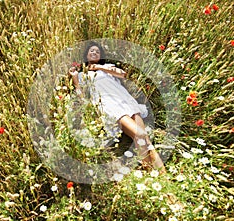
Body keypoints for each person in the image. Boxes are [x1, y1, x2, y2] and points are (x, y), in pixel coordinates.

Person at [69, 41, 166, 172]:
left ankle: (162, 176)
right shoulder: (82, 75)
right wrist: (75, 79)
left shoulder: (108, 67)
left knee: (145, 139)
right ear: (86, 55)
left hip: (126, 101)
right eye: (91, 51)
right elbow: (81, 96)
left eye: (97, 51)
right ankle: (152, 174)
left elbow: (122, 74)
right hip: (110, 105)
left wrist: (99, 67)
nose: (94, 53)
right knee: (140, 135)